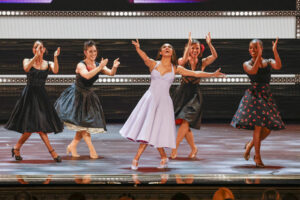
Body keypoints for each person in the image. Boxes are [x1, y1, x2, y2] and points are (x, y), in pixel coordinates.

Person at [120, 39, 224, 170]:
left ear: (172, 52)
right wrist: (138, 49)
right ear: (161, 52)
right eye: (164, 47)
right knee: (148, 130)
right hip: (150, 100)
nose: (167, 48)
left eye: (170, 47)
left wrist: (212, 75)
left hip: (164, 103)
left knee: (154, 131)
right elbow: (145, 57)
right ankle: (149, 158)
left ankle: (141, 159)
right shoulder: (153, 64)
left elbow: (195, 73)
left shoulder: (176, 68)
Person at [55, 40, 120, 159]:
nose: (93, 53)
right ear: (85, 52)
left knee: (82, 124)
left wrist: (114, 67)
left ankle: (72, 146)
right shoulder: (81, 65)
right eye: (90, 51)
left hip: (88, 96)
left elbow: (111, 73)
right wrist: (100, 67)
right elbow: (87, 75)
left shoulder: (97, 64)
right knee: (84, 125)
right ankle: (92, 150)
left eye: (95, 51)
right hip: (77, 96)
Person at [231, 38, 285, 168]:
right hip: (254, 96)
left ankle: (250, 145)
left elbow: (278, 66)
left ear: (261, 48)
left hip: (266, 95)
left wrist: (275, 51)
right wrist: (258, 58)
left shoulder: (268, 62)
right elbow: (253, 71)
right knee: (258, 127)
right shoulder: (246, 63)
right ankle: (258, 157)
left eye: (255, 47)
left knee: (268, 128)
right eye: (251, 48)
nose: (253, 50)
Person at [5, 40, 63, 162]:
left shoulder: (48, 63)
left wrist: (55, 57)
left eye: (41, 48)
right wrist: (35, 57)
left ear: (44, 50)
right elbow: (26, 68)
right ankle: (53, 153)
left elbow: (56, 70)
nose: (39, 49)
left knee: (34, 127)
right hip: (29, 97)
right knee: (37, 127)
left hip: (41, 97)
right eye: (37, 47)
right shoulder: (27, 60)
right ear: (33, 49)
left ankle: (16, 148)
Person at [171, 32, 218, 159]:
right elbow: (183, 60)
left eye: (197, 48)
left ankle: (174, 147)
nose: (195, 50)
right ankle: (194, 148)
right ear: (188, 48)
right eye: (193, 47)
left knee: (186, 121)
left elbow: (214, 56)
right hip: (182, 93)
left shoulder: (202, 62)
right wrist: (188, 44)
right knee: (185, 124)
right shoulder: (182, 60)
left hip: (194, 95)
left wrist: (209, 43)